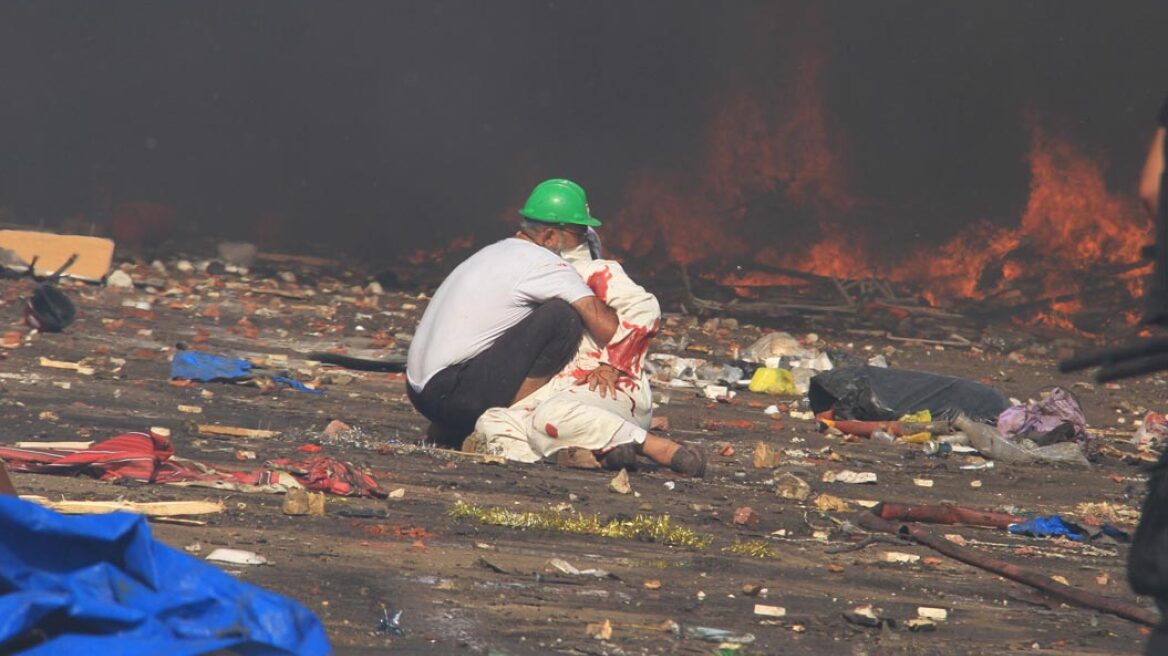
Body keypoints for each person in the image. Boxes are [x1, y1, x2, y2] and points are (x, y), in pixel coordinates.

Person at [466, 211, 706, 476]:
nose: (519, 240)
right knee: (492, 422)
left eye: (528, 233)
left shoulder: (596, 272)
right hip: (562, 390)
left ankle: (658, 449)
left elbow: (644, 310)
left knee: (551, 415)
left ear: (550, 236)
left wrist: (613, 363)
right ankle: (588, 455)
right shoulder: (537, 281)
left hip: (610, 389)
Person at [406, 179, 618, 447]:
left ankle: (453, 427)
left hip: (420, 389)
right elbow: (608, 328)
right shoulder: (546, 264)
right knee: (563, 317)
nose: (583, 245)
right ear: (551, 237)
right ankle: (515, 419)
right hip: (453, 393)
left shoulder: (496, 251)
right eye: (580, 237)